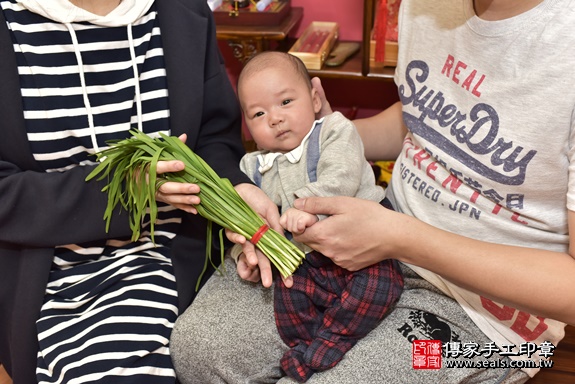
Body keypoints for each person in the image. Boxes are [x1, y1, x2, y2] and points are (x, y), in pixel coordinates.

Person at [171, 0, 575, 383]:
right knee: (199, 351)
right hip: (373, 239)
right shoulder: (425, 7)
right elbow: (427, 118)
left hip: (500, 329)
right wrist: (319, 143)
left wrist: (401, 237)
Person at [0, 0, 276, 383]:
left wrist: (235, 187)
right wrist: (123, 188)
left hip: (184, 251)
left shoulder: (183, 11)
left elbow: (214, 137)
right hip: (61, 274)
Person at [230, 51, 403, 382]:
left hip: (363, 241)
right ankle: (304, 346)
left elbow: (343, 173)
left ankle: (332, 341)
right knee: (288, 297)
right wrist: (245, 253)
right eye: (259, 113)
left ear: (313, 97)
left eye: (285, 102)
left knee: (380, 285)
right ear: (247, 125)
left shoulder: (333, 131)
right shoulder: (252, 166)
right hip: (306, 260)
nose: (275, 118)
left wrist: (302, 204)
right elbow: (245, 221)